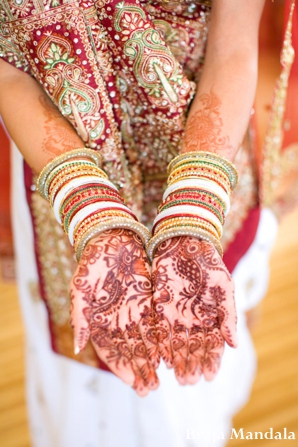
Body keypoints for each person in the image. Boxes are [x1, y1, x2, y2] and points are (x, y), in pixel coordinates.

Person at [0, 0, 296, 445]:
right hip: (60, 178)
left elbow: (233, 46)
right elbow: (7, 71)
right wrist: (93, 214)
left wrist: (191, 216)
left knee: (187, 393)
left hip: (205, 158)